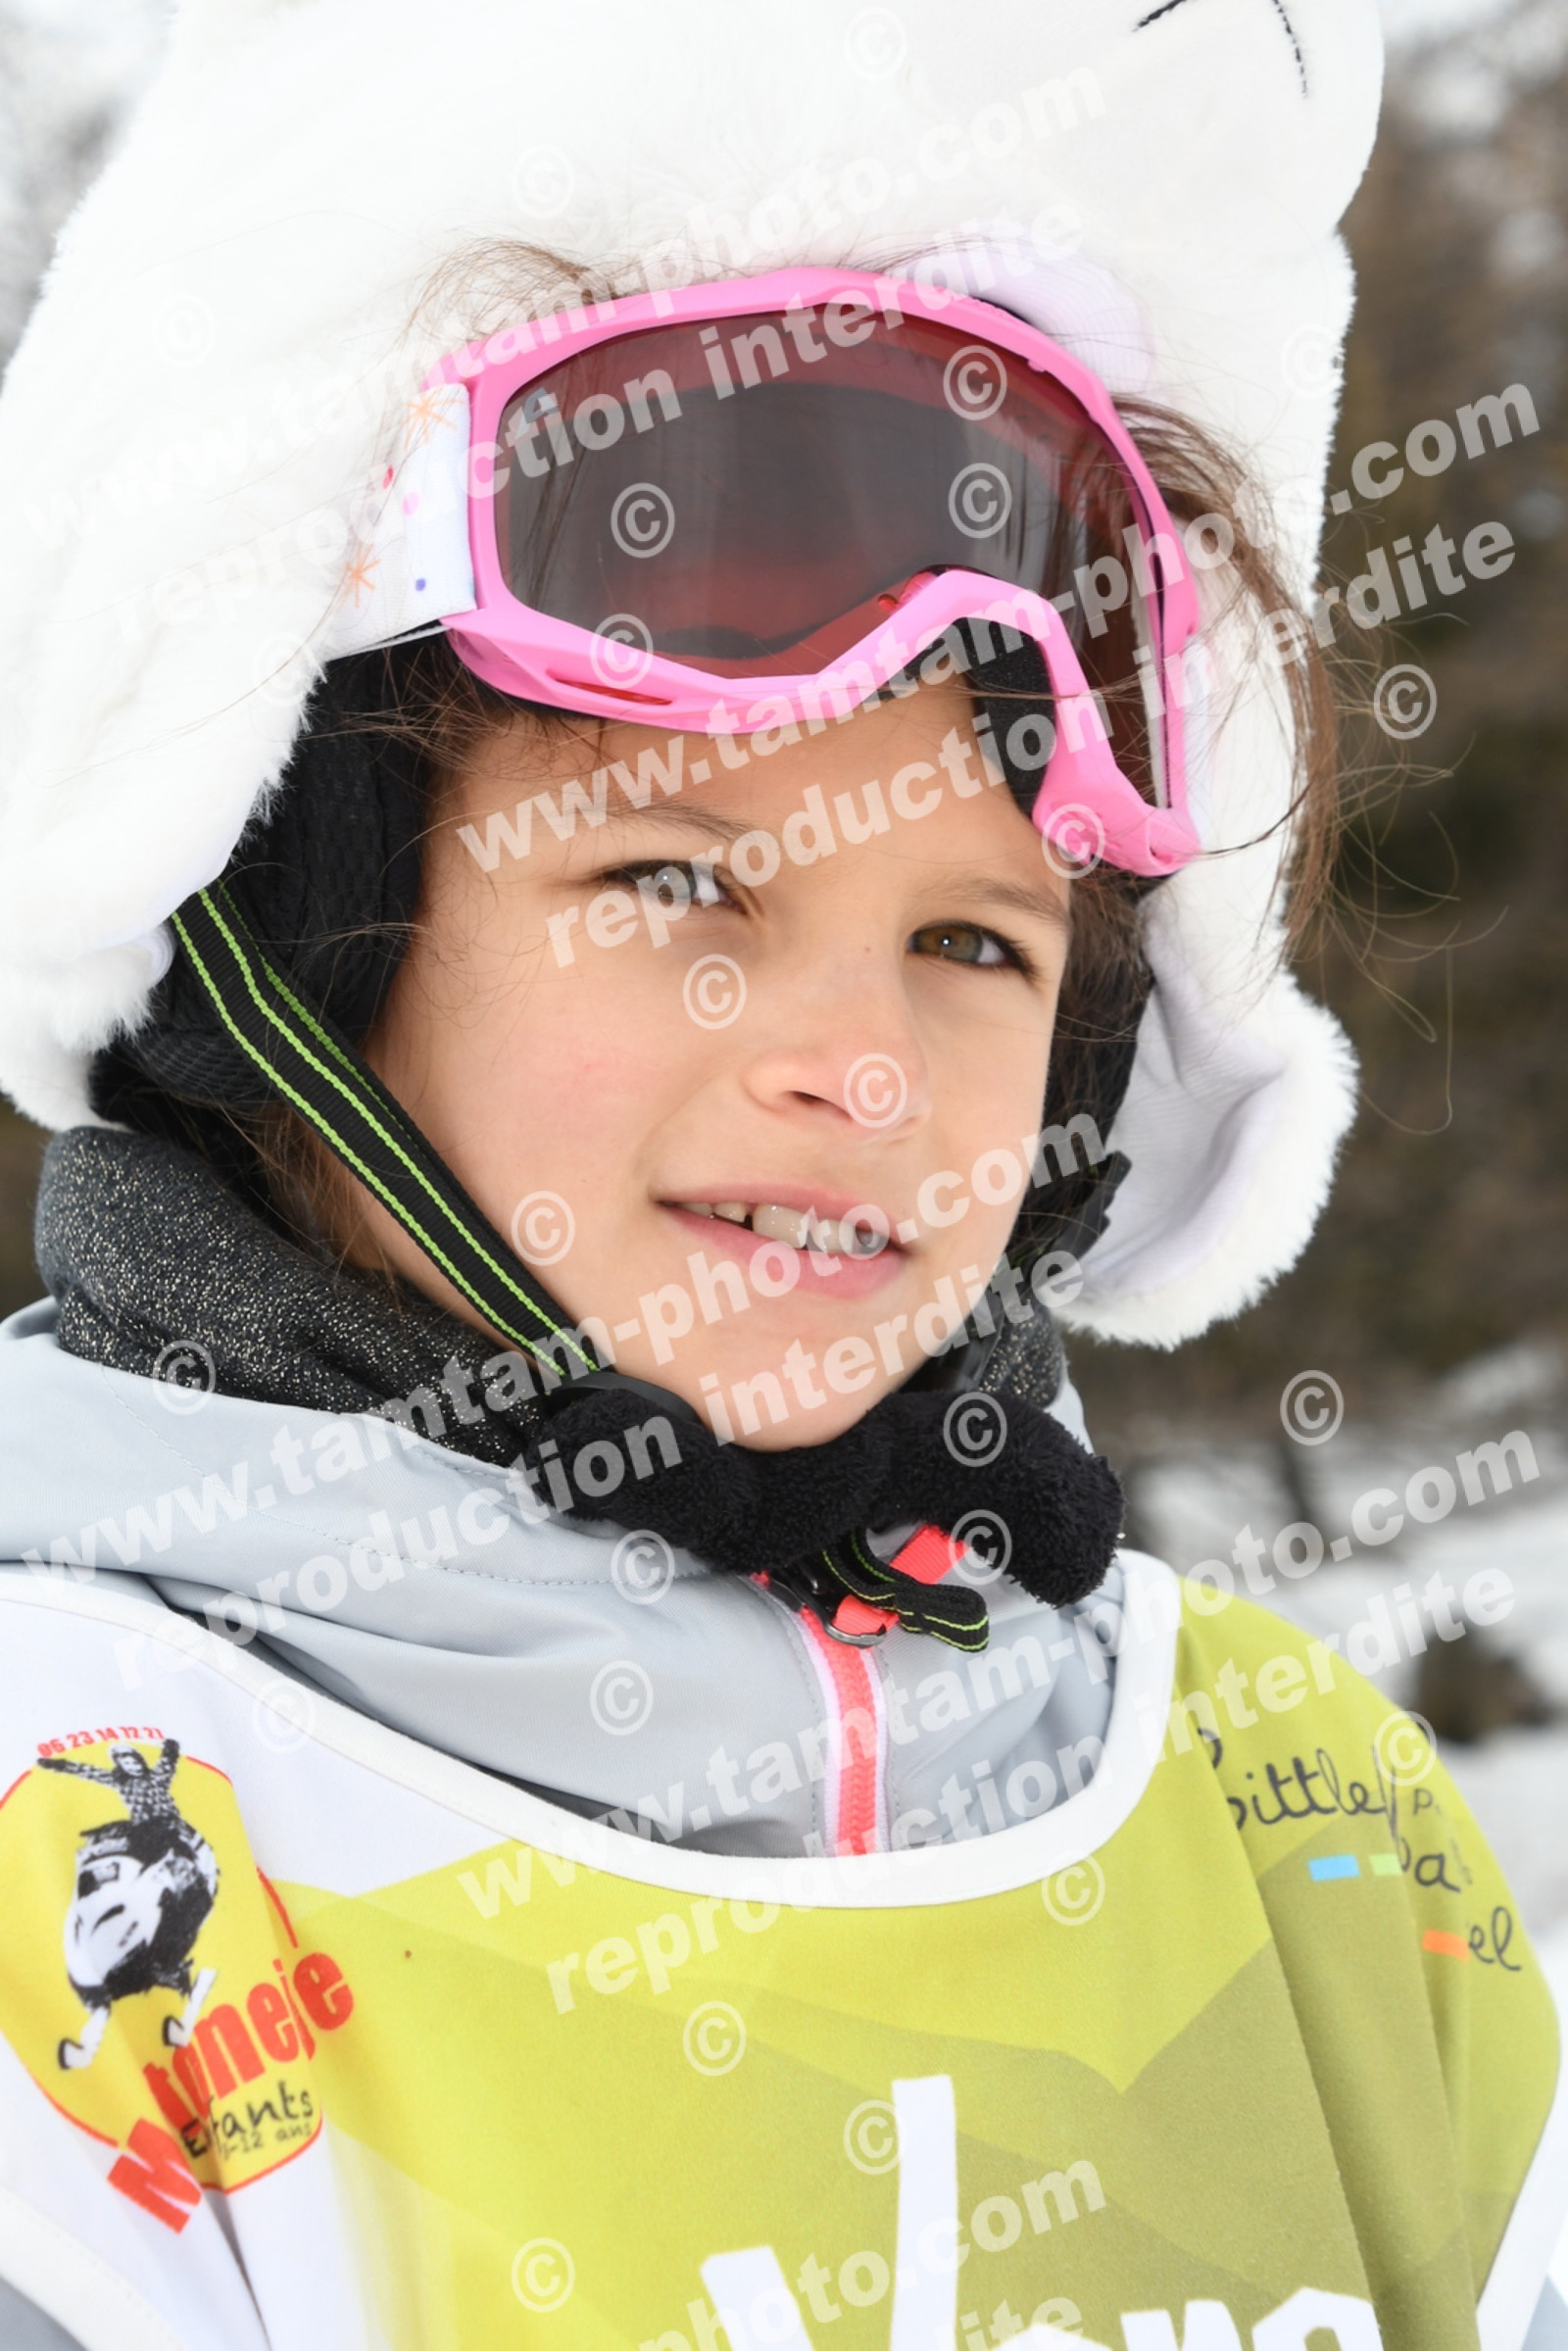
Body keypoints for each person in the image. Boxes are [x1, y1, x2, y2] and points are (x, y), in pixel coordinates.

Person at [0, 5, 1560, 2348]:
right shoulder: (88, 1876)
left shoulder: (1301, 1832)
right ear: (289, 933)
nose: (860, 1069)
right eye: (675, 881)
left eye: (971, 942)